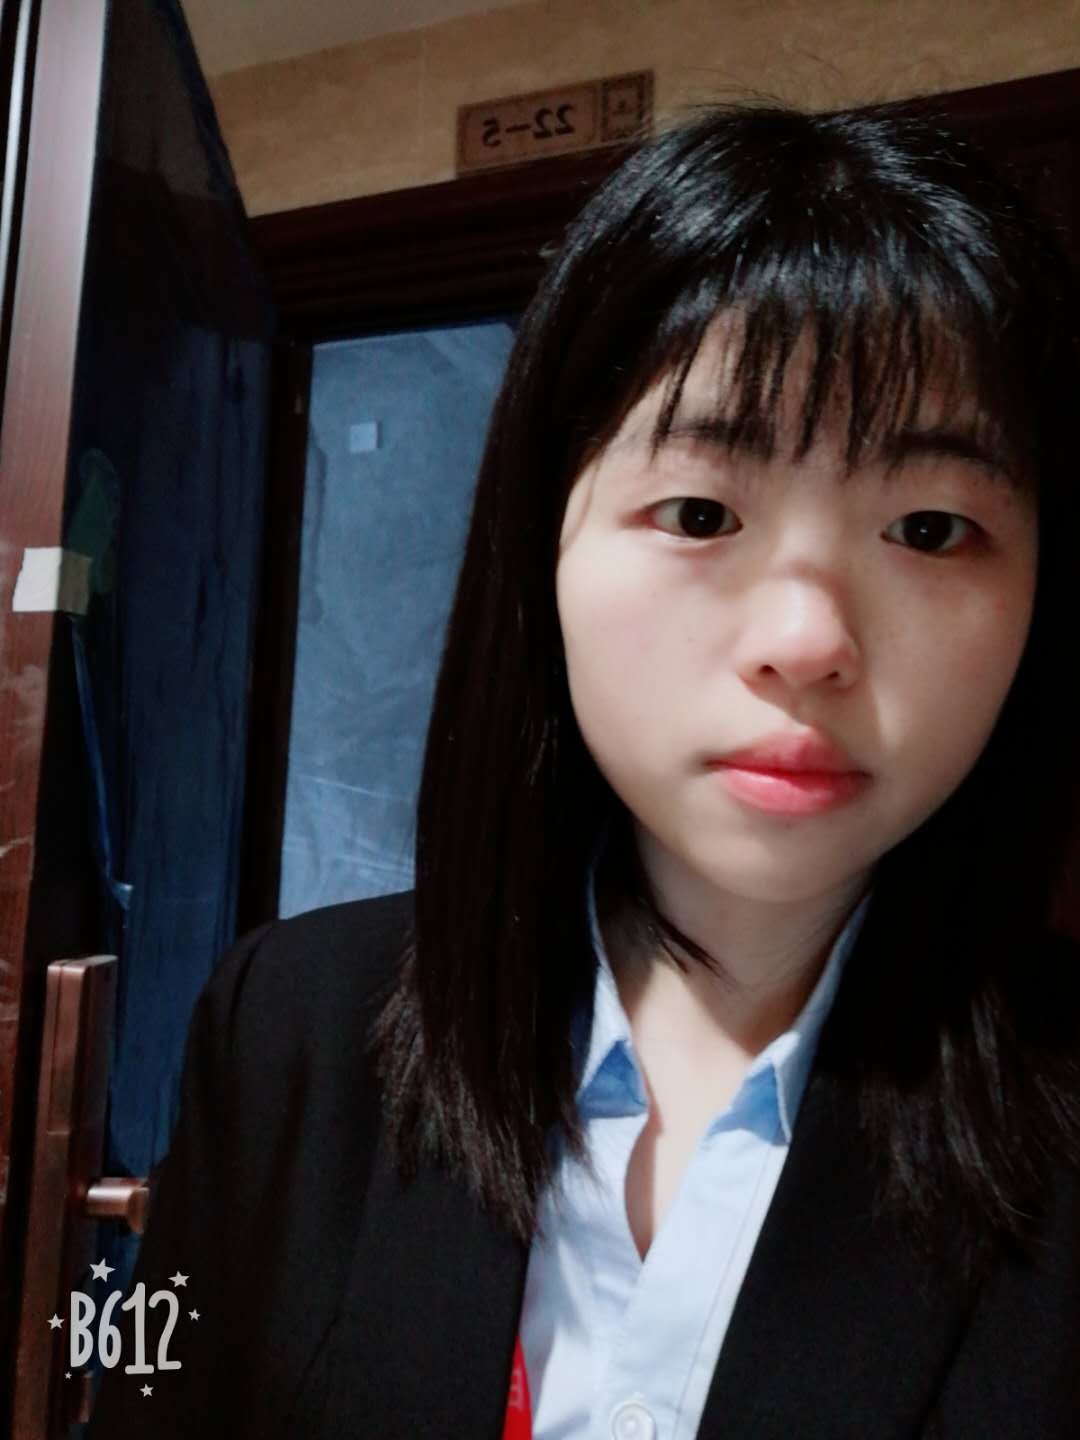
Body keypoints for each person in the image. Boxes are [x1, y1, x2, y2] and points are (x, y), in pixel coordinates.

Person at [89, 100, 1080, 1439]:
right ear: (541, 545)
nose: (808, 641)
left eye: (930, 528)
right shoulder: (288, 1030)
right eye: (700, 512)